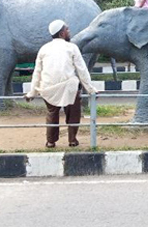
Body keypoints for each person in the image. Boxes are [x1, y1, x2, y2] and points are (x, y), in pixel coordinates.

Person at [24, 20, 98, 148]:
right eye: (67, 30)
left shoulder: (44, 49)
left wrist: (32, 92)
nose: (69, 32)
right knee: (73, 114)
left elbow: (37, 72)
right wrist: (91, 89)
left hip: (48, 89)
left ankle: (51, 141)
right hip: (69, 88)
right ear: (62, 33)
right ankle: (72, 140)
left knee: (52, 114)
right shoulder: (72, 47)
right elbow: (82, 70)